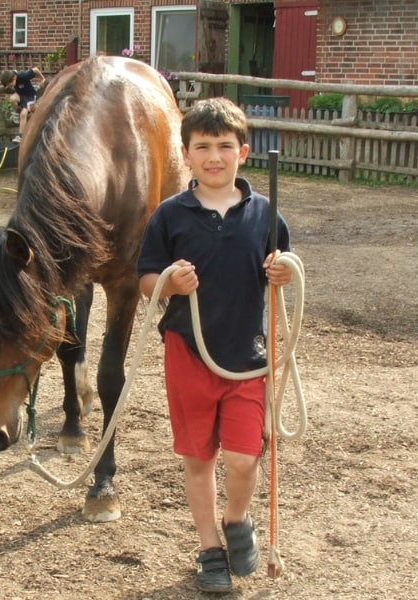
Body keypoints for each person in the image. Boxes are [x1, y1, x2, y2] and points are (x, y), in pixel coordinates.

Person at [137, 97, 293, 594]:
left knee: (245, 458)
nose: (214, 157)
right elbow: (145, 280)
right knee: (199, 458)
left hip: (247, 358)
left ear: (243, 152)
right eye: (202, 147)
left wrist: (284, 271)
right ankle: (209, 548)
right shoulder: (170, 216)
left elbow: (283, 265)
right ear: (186, 154)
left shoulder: (265, 213)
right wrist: (168, 283)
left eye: (225, 146)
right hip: (189, 355)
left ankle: (236, 517)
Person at [0, 67, 44, 144]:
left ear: (14, 78)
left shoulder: (23, 75)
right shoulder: (10, 75)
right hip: (21, 96)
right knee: (12, 99)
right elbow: (6, 77)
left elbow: (36, 69)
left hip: (30, 97)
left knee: (24, 115)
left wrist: (43, 79)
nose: (10, 87)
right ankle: (18, 112)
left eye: (10, 85)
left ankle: (20, 136)